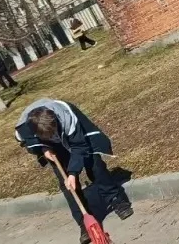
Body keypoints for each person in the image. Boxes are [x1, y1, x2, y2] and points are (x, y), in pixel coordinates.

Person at [15, 98, 133, 244]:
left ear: (56, 122)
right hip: (50, 147)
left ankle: (116, 200)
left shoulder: (66, 116)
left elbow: (79, 146)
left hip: (77, 138)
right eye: (49, 136)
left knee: (94, 165)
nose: (53, 137)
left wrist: (73, 173)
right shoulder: (24, 128)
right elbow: (29, 143)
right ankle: (83, 222)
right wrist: (44, 148)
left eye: (53, 133)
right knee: (67, 184)